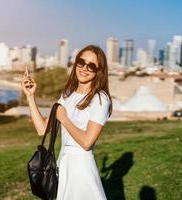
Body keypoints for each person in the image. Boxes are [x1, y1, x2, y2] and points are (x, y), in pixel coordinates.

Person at [21, 45, 112, 200]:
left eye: (91, 65)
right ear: (75, 63)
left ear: (99, 70)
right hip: (64, 164)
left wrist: (64, 118)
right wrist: (30, 96)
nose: (84, 68)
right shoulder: (67, 95)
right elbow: (42, 129)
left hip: (81, 167)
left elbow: (87, 142)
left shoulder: (100, 99)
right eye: (81, 62)